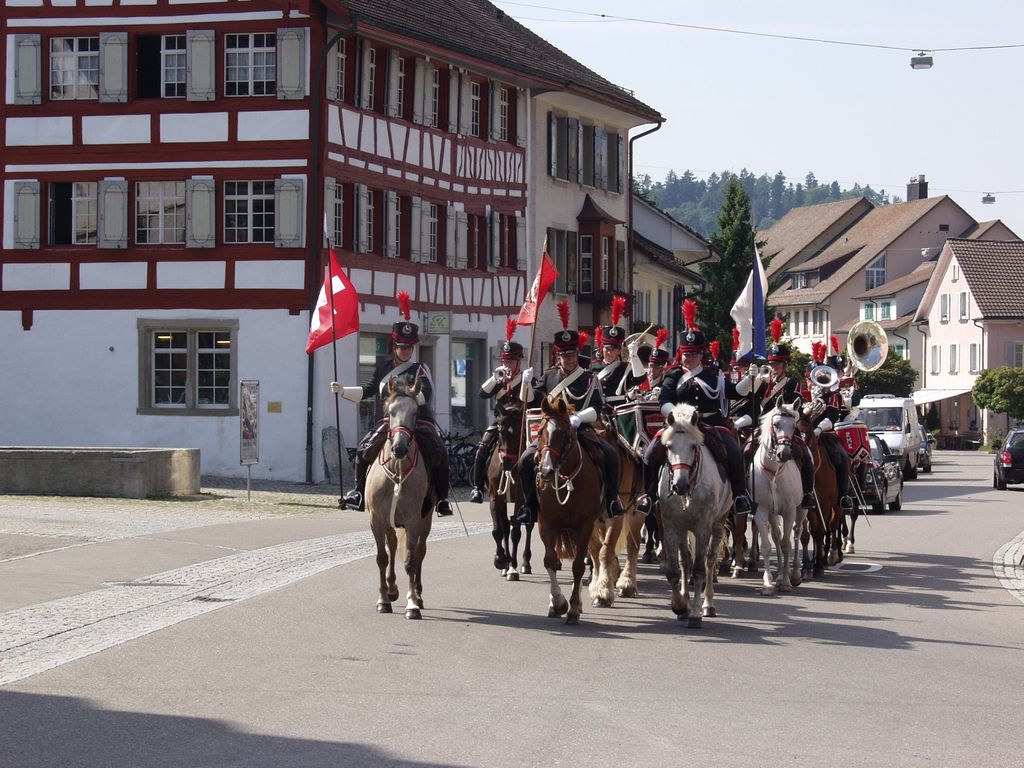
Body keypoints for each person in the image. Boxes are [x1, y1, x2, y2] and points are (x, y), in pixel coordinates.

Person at [331, 291, 453, 517]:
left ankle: (442, 500)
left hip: (418, 421)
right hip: (390, 421)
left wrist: (409, 399)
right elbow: (366, 391)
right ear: (394, 346)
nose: (405, 350)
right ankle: (358, 492)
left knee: (439, 452)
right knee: (363, 449)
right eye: (401, 346)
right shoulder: (383, 369)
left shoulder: (420, 370)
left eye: (409, 347)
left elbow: (427, 395)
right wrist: (343, 391)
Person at [646, 299, 758, 517]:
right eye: (686, 354)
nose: (690, 358)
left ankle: (740, 496)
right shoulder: (673, 374)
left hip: (711, 424)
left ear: (701, 354)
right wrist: (675, 416)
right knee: (650, 454)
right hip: (678, 426)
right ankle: (649, 497)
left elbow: (736, 392)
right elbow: (665, 399)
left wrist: (751, 379)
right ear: (681, 353)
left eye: (694, 353)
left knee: (734, 453)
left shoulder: (713, 375)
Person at [516, 301, 625, 524]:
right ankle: (529, 506)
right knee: (525, 461)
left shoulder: (588, 378)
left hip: (580, 429)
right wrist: (525, 384)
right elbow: (528, 401)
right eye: (564, 355)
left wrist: (578, 418)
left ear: (578, 353)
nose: (569, 359)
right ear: (558, 356)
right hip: (551, 433)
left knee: (611, 455)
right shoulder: (548, 377)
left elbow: (597, 408)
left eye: (572, 354)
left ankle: (612, 501)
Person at [733, 318, 816, 510]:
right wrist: (754, 380)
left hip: (785, 428)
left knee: (806, 455)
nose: (774, 367)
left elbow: (795, 405)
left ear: (784, 365)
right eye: (772, 363)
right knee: (744, 452)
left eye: (778, 363)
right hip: (763, 428)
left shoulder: (793, 383)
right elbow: (751, 402)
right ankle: (744, 492)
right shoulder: (762, 381)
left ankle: (808, 493)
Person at [469, 319, 537, 503]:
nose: (507, 364)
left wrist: (526, 383)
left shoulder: (527, 378)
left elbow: (530, 401)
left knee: (537, 453)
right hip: (502, 421)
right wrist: (494, 379)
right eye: (505, 360)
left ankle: (535, 493)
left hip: (522, 423)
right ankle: (477, 488)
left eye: (511, 361)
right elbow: (482, 394)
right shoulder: (499, 379)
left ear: (518, 362)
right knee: (482, 448)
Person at [803, 337, 855, 511]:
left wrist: (818, 429)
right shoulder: (804, 396)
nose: (815, 383)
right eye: (813, 379)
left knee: (842, 458)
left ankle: (843, 496)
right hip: (805, 435)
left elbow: (832, 416)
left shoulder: (831, 396)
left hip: (825, 435)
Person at [592, 295, 630, 412]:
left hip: (618, 411)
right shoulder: (592, 367)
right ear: (602, 348)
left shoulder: (625, 368)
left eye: (613, 349)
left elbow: (640, 379)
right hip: (596, 412)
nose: (609, 352)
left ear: (619, 350)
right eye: (607, 348)